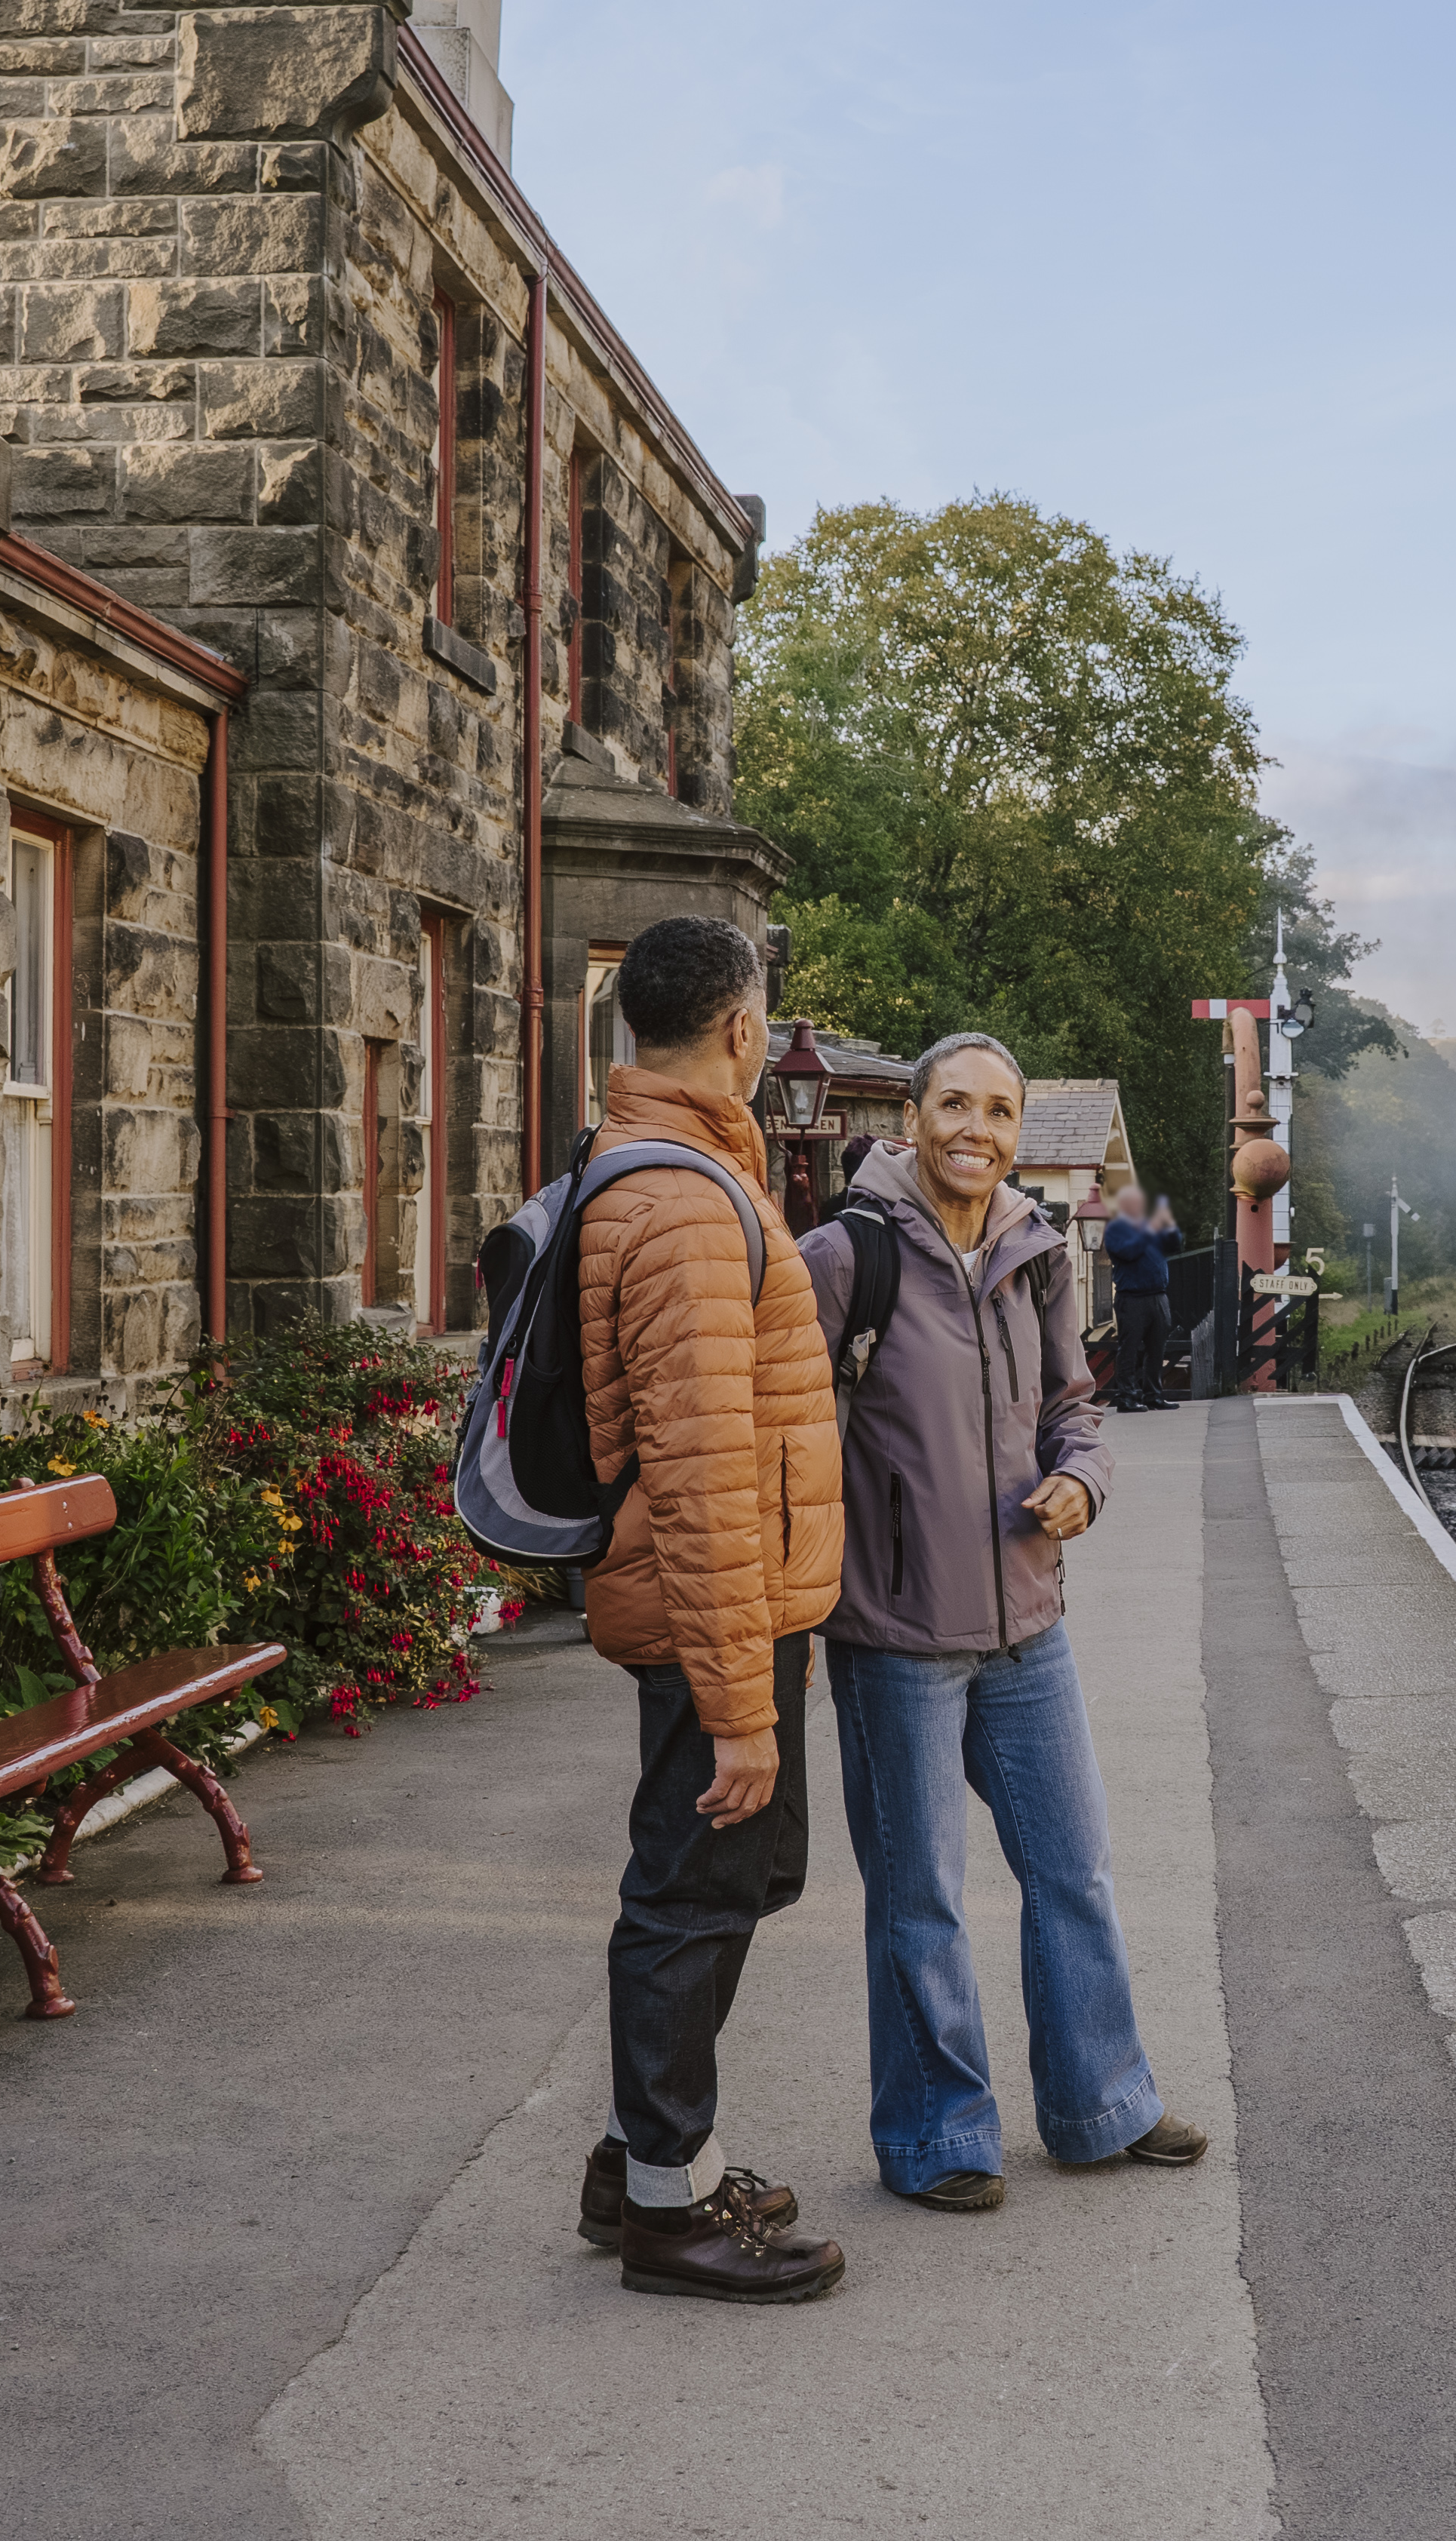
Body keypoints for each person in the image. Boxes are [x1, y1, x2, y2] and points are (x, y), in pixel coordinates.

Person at [805, 1034, 1206, 2212]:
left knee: (1072, 1869)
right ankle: (941, 2138)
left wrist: (1082, 1481)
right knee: (922, 1895)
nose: (975, 1129)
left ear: (1020, 1130)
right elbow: (786, 1425)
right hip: (894, 1635)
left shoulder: (1038, 1257)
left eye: (998, 1111)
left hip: (1030, 1623)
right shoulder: (844, 1256)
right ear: (916, 1116)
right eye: (954, 1105)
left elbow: (1074, 1408)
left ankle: (1100, 2108)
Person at [570, 917, 849, 2300]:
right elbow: (701, 1474)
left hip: (716, 1610)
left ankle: (638, 2161)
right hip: (715, 1620)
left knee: (720, 1883)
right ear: (743, 1031)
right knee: (696, 1892)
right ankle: (669, 2216)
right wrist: (746, 1709)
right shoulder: (684, 1204)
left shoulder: (661, 1171)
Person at [1099, 1182, 1175, 1410]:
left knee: (1157, 1350)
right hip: (1131, 1298)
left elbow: (1172, 1245)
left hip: (1158, 1296)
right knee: (1129, 1349)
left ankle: (1154, 1395)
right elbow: (1128, 1252)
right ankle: (1127, 1397)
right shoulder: (1116, 1229)